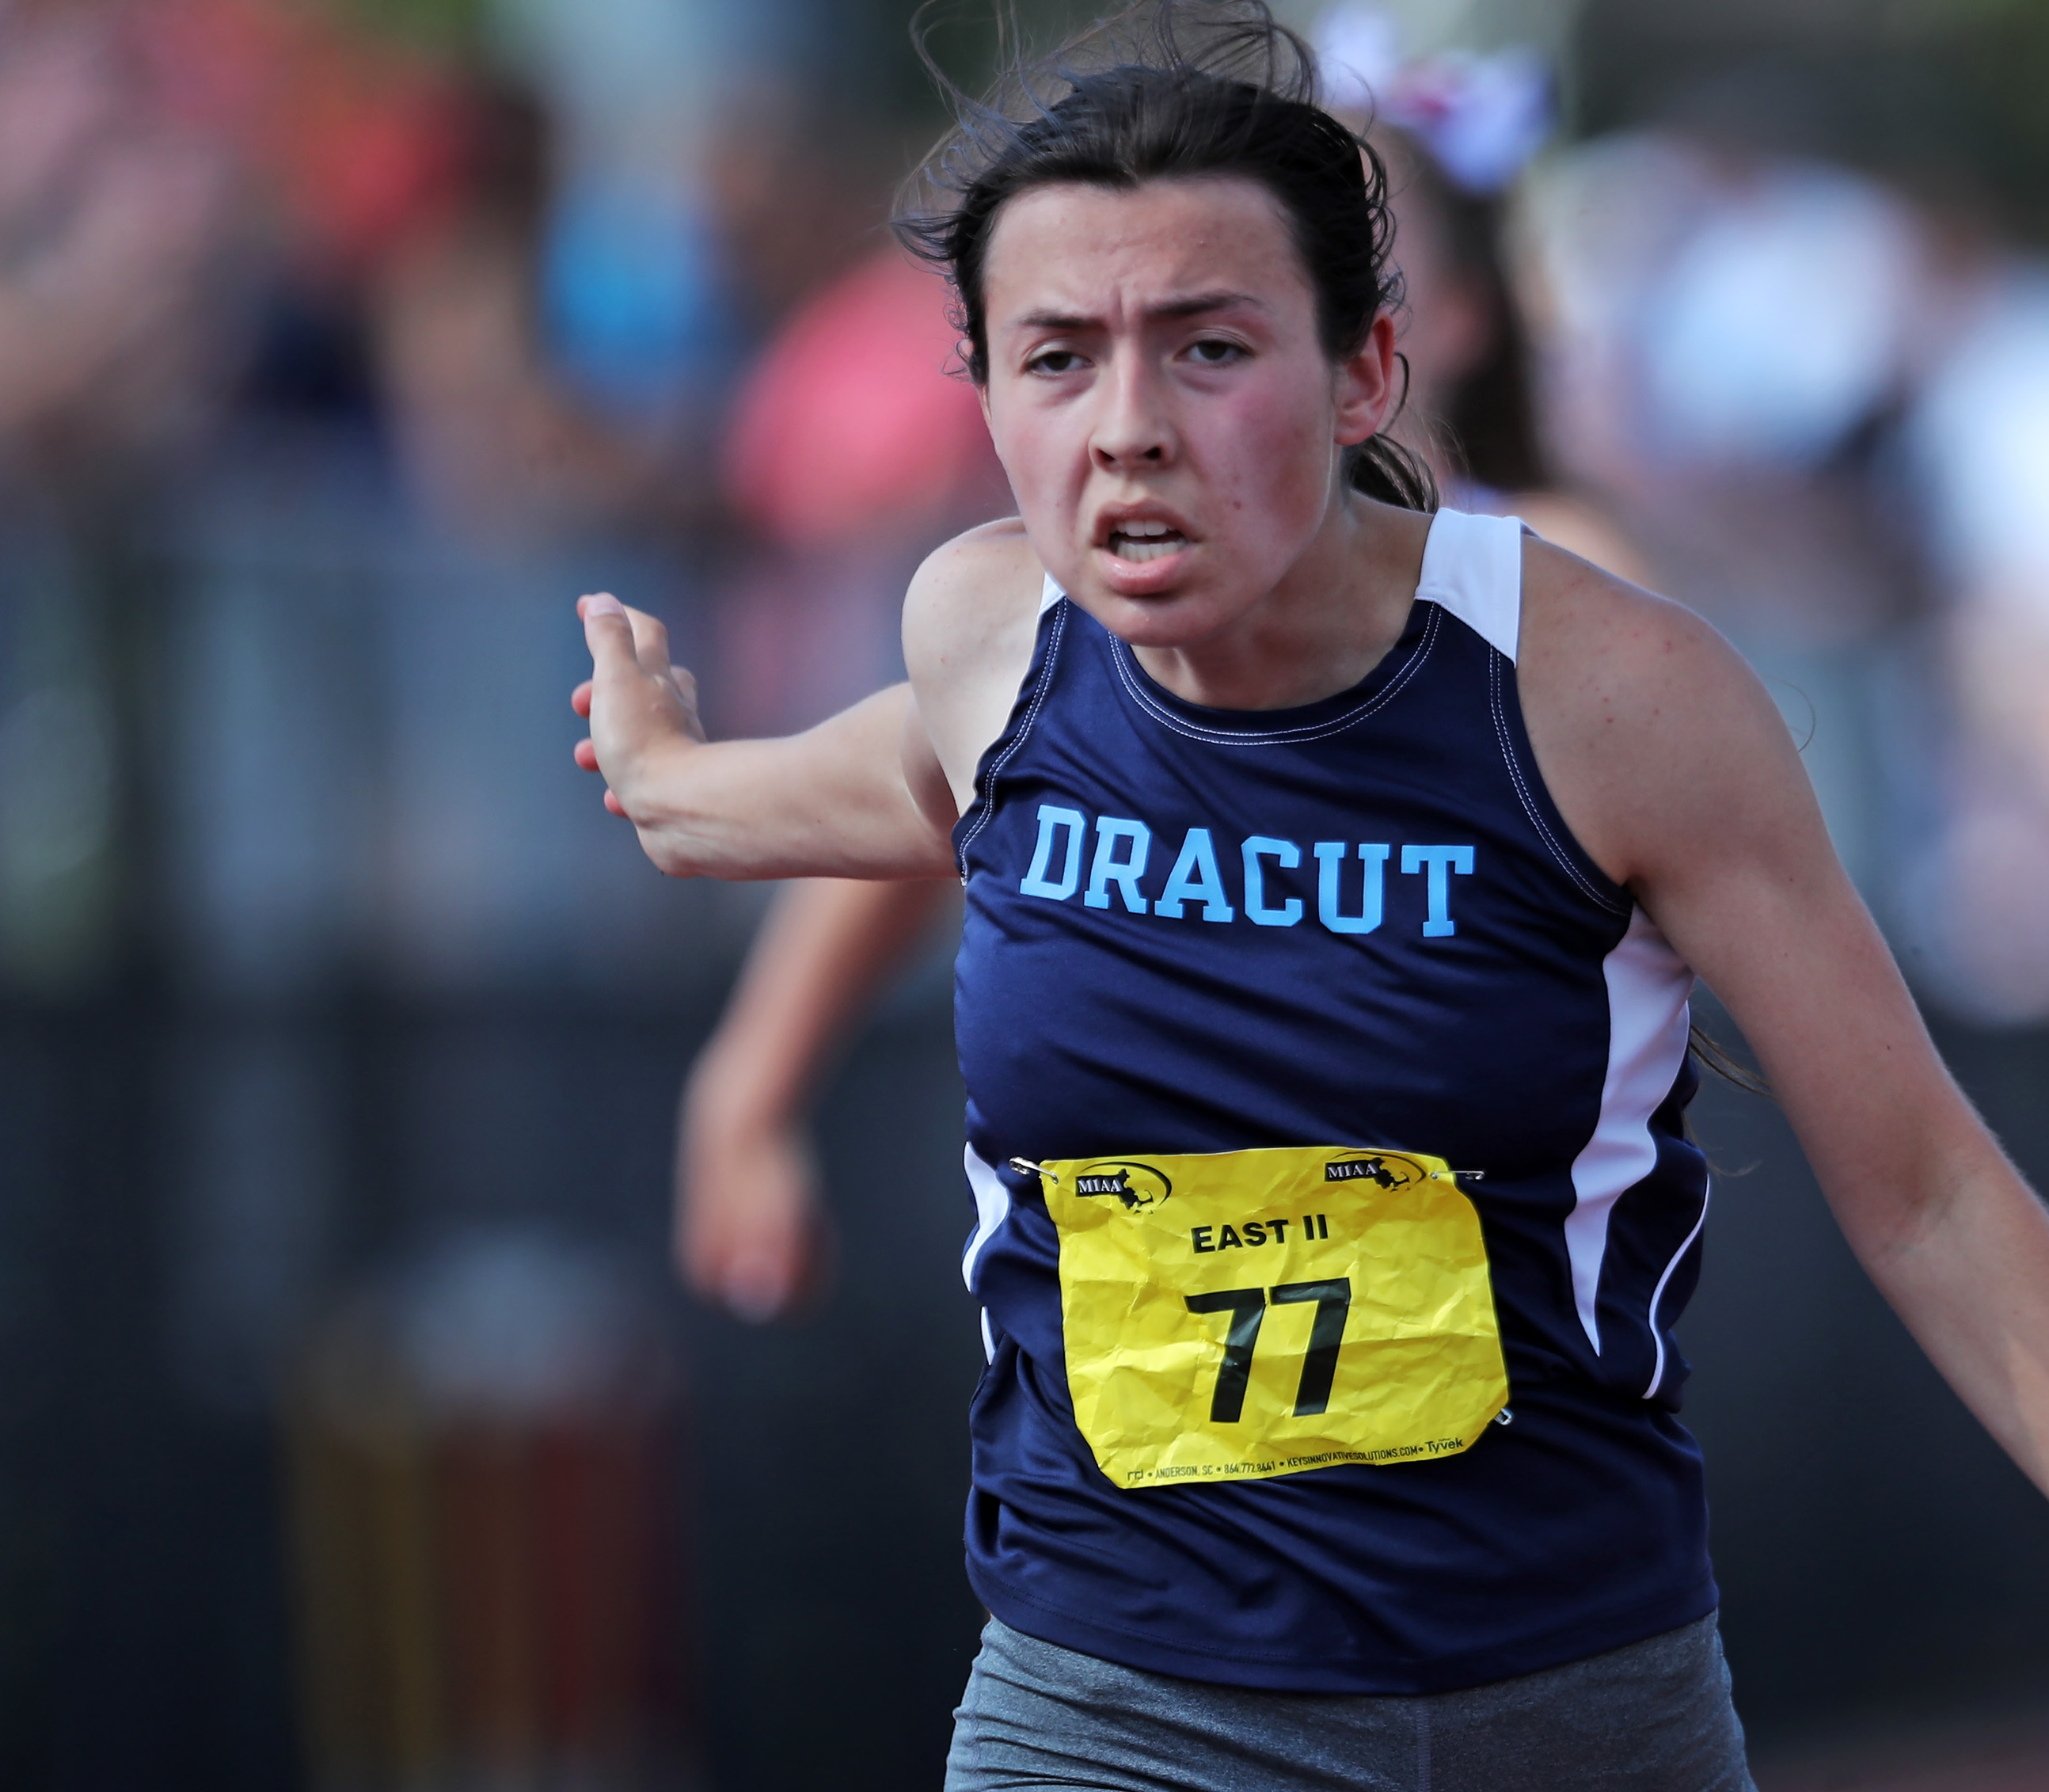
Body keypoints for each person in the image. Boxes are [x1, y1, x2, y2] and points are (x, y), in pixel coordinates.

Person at [568, 8, 2049, 1792]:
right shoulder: (988, 634)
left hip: (1577, 1763)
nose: (1126, 425)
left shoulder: (1607, 696)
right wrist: (681, 805)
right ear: (984, 395)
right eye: (1056, 357)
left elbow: (1931, 1182)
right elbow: (900, 788)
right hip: (1134, 1733)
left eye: (1210, 347)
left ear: (1365, 373)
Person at [674, 93, 1642, 1322]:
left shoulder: (1560, 587)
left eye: (1225, 333)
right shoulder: (1102, 595)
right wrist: (749, 1087)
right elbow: (945, 776)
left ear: (1404, 336)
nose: (1149, 407)